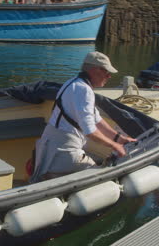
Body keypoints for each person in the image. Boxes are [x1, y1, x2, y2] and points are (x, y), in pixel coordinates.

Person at [30, 52, 136, 183]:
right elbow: (90, 131)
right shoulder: (84, 90)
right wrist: (115, 146)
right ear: (94, 70)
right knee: (100, 178)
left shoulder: (73, 83)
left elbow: (96, 119)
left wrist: (120, 139)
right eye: (106, 72)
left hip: (49, 146)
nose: (109, 76)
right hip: (64, 151)